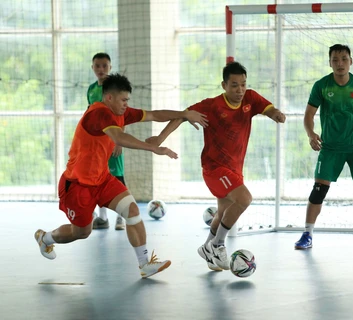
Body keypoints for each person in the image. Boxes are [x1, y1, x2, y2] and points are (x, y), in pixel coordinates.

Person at [34, 73, 208, 278]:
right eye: (124, 100)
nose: (127, 104)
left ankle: (144, 264)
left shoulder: (120, 112)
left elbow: (153, 114)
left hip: (103, 179)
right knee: (81, 232)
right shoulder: (97, 114)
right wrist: (152, 148)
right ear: (109, 98)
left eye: (128, 100)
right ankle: (45, 238)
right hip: (78, 185)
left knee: (133, 211)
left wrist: (183, 113)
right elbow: (119, 137)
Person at [146, 62, 286, 271]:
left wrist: (276, 113)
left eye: (243, 85)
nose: (240, 90)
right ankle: (218, 244)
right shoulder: (212, 106)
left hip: (235, 169)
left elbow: (268, 108)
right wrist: (159, 138)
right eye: (234, 85)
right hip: (214, 168)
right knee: (244, 199)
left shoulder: (250, 98)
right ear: (224, 85)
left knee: (223, 213)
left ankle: (206, 247)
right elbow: (181, 117)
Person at [295, 44, 353, 250]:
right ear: (329, 63)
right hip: (330, 147)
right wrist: (311, 134)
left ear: (350, 61)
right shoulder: (321, 86)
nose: (340, 63)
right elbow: (309, 114)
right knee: (318, 191)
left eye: (344, 59)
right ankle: (307, 235)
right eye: (335, 60)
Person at [87, 52, 125, 231]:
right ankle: (102, 218)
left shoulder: (115, 89)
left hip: (112, 141)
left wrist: (119, 141)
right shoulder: (91, 90)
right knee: (96, 179)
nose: (101, 69)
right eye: (97, 66)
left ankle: (121, 218)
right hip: (97, 144)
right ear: (93, 68)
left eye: (104, 66)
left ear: (110, 67)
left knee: (117, 178)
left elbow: (122, 116)